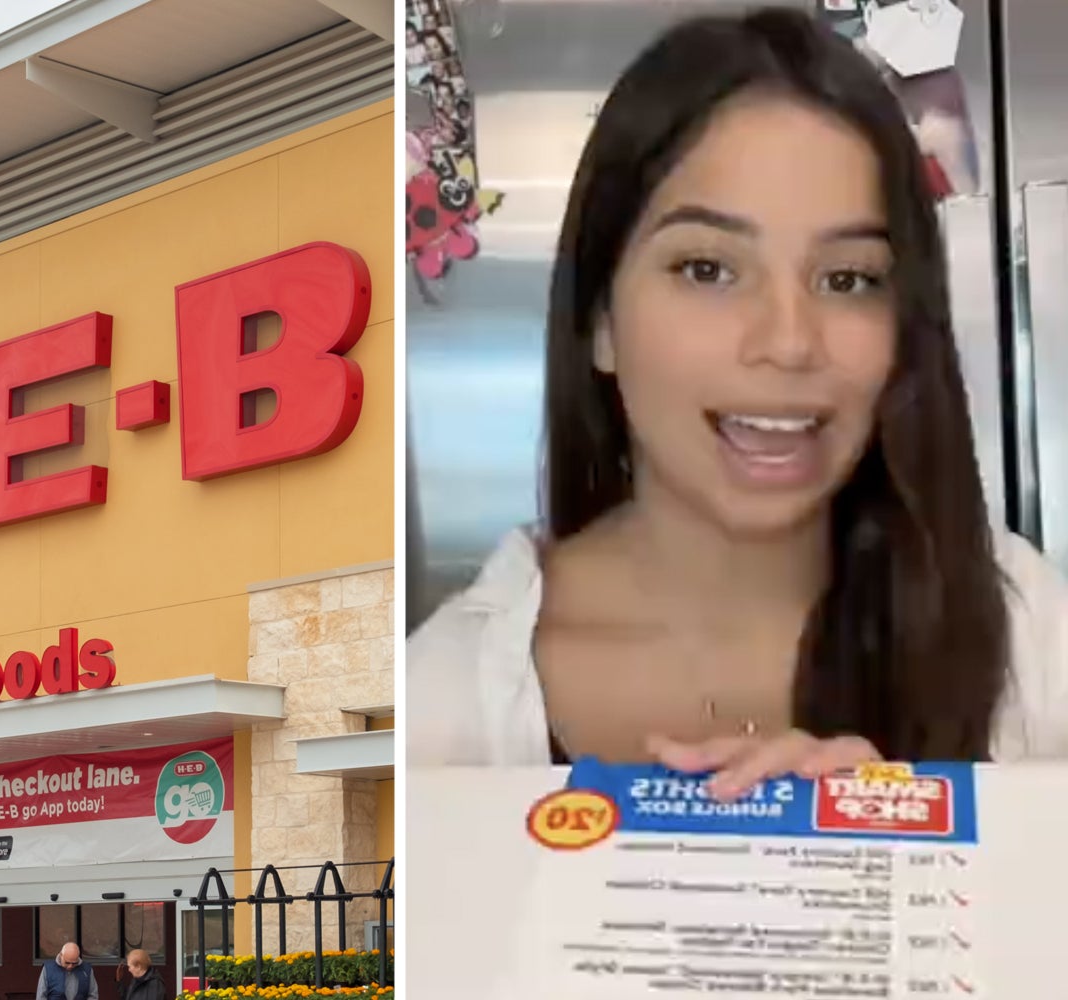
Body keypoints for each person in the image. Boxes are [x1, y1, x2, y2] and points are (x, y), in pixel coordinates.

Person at [406, 8, 1068, 796]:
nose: (789, 342)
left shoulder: (1026, 633)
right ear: (601, 322)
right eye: (709, 269)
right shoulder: (448, 706)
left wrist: (909, 867)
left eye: (847, 278)